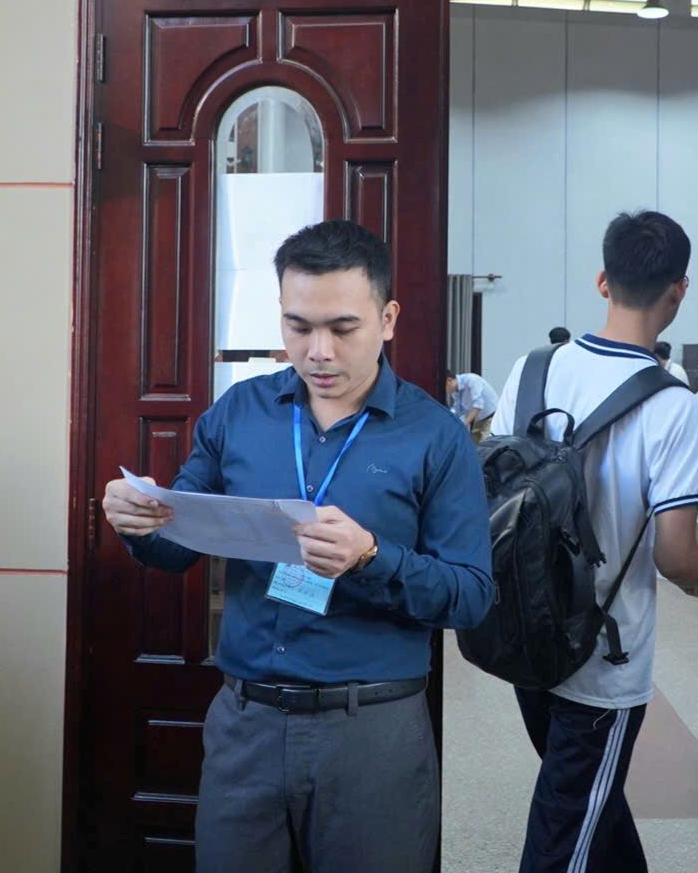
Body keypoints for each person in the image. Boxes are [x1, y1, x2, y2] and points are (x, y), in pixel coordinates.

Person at [101, 220, 493, 873]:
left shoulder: (433, 437)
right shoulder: (240, 414)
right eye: (297, 327)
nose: (317, 352)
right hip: (246, 722)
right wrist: (143, 524)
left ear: (387, 318)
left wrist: (372, 558)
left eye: (342, 328)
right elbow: (179, 546)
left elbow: (471, 597)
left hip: (371, 728)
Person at [492, 211, 698, 873]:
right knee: (568, 828)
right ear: (678, 290)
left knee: (590, 802)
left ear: (601, 280)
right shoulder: (674, 406)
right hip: (602, 656)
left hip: (525, 631)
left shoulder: (533, 370)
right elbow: (675, 556)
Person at [445, 369, 499, 441]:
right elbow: (458, 410)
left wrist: (463, 424)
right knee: (474, 447)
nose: (445, 391)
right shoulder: (455, 392)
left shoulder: (471, 380)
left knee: (486, 447)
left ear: (449, 380)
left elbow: (478, 405)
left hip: (491, 418)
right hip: (478, 421)